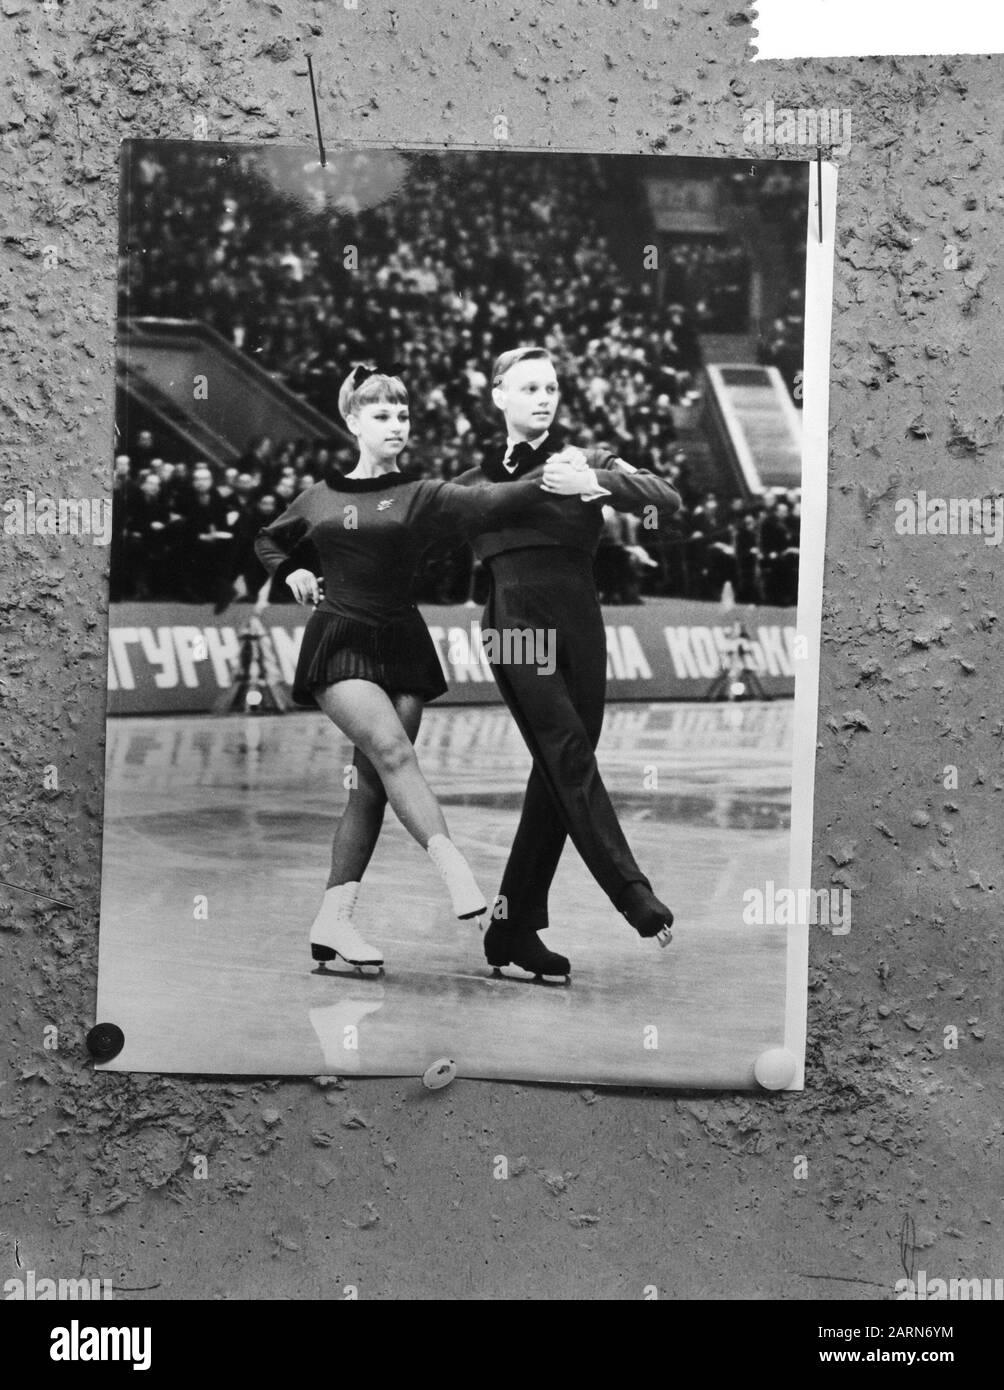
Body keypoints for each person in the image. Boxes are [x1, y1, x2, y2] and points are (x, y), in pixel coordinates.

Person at [253, 365, 601, 975]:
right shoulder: (318, 495)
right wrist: (293, 570)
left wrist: (557, 477)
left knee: (369, 789)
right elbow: (268, 538)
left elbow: (496, 497)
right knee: (392, 753)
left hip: (403, 646)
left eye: (403, 416)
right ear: (353, 422)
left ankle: (333, 921)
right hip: (339, 641)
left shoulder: (423, 494)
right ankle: (458, 875)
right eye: (382, 415)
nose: (396, 426)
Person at [454, 346, 683, 981]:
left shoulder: (588, 461)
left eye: (551, 386)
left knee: (554, 776)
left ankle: (508, 928)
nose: (544, 397)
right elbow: (413, 531)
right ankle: (632, 894)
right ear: (499, 394)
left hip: (581, 624)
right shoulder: (474, 484)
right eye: (528, 387)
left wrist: (597, 485)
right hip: (515, 624)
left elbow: (668, 501)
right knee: (566, 752)